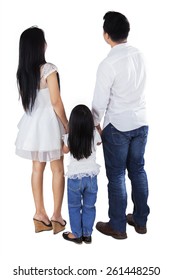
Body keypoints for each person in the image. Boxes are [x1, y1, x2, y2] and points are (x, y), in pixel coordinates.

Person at [92, 11, 150, 239]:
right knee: (138, 170)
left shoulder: (108, 63)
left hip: (117, 125)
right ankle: (141, 220)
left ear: (107, 35)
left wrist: (96, 124)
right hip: (141, 122)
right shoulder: (140, 54)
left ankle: (117, 226)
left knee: (116, 176)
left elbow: (99, 101)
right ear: (126, 32)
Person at [15, 27, 68, 234]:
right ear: (40, 46)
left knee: (37, 169)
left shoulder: (22, 73)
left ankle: (39, 214)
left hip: (33, 124)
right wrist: (67, 125)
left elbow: (27, 103)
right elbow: (56, 101)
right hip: (50, 123)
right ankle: (56, 216)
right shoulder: (49, 69)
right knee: (58, 170)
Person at [62, 105, 101, 244]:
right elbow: (100, 141)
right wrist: (97, 127)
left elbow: (64, 151)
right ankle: (87, 234)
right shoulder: (94, 134)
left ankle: (77, 234)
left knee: (74, 207)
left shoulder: (69, 138)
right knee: (89, 206)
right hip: (91, 177)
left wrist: (66, 132)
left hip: (74, 179)